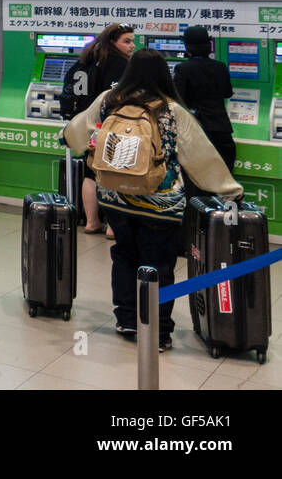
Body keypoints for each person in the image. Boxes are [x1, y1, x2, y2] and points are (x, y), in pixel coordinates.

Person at [65, 49, 242, 352]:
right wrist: (228, 190)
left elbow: (74, 133)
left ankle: (126, 318)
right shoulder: (171, 109)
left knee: (123, 255)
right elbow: (200, 156)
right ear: (164, 74)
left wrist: (70, 138)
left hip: (116, 198)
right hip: (161, 203)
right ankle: (158, 332)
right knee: (159, 264)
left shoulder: (109, 100)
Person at [63, 22, 135, 236]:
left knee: (90, 173)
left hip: (86, 125)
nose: (132, 46)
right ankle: (113, 226)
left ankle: (91, 222)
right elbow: (116, 98)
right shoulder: (118, 63)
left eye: (132, 41)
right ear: (113, 42)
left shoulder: (86, 60)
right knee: (114, 172)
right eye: (127, 41)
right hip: (109, 125)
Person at [173, 26, 236, 170]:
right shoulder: (220, 66)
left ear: (187, 46)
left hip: (197, 128)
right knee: (224, 172)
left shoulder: (183, 68)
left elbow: (178, 99)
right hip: (222, 128)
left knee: (199, 175)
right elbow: (227, 93)